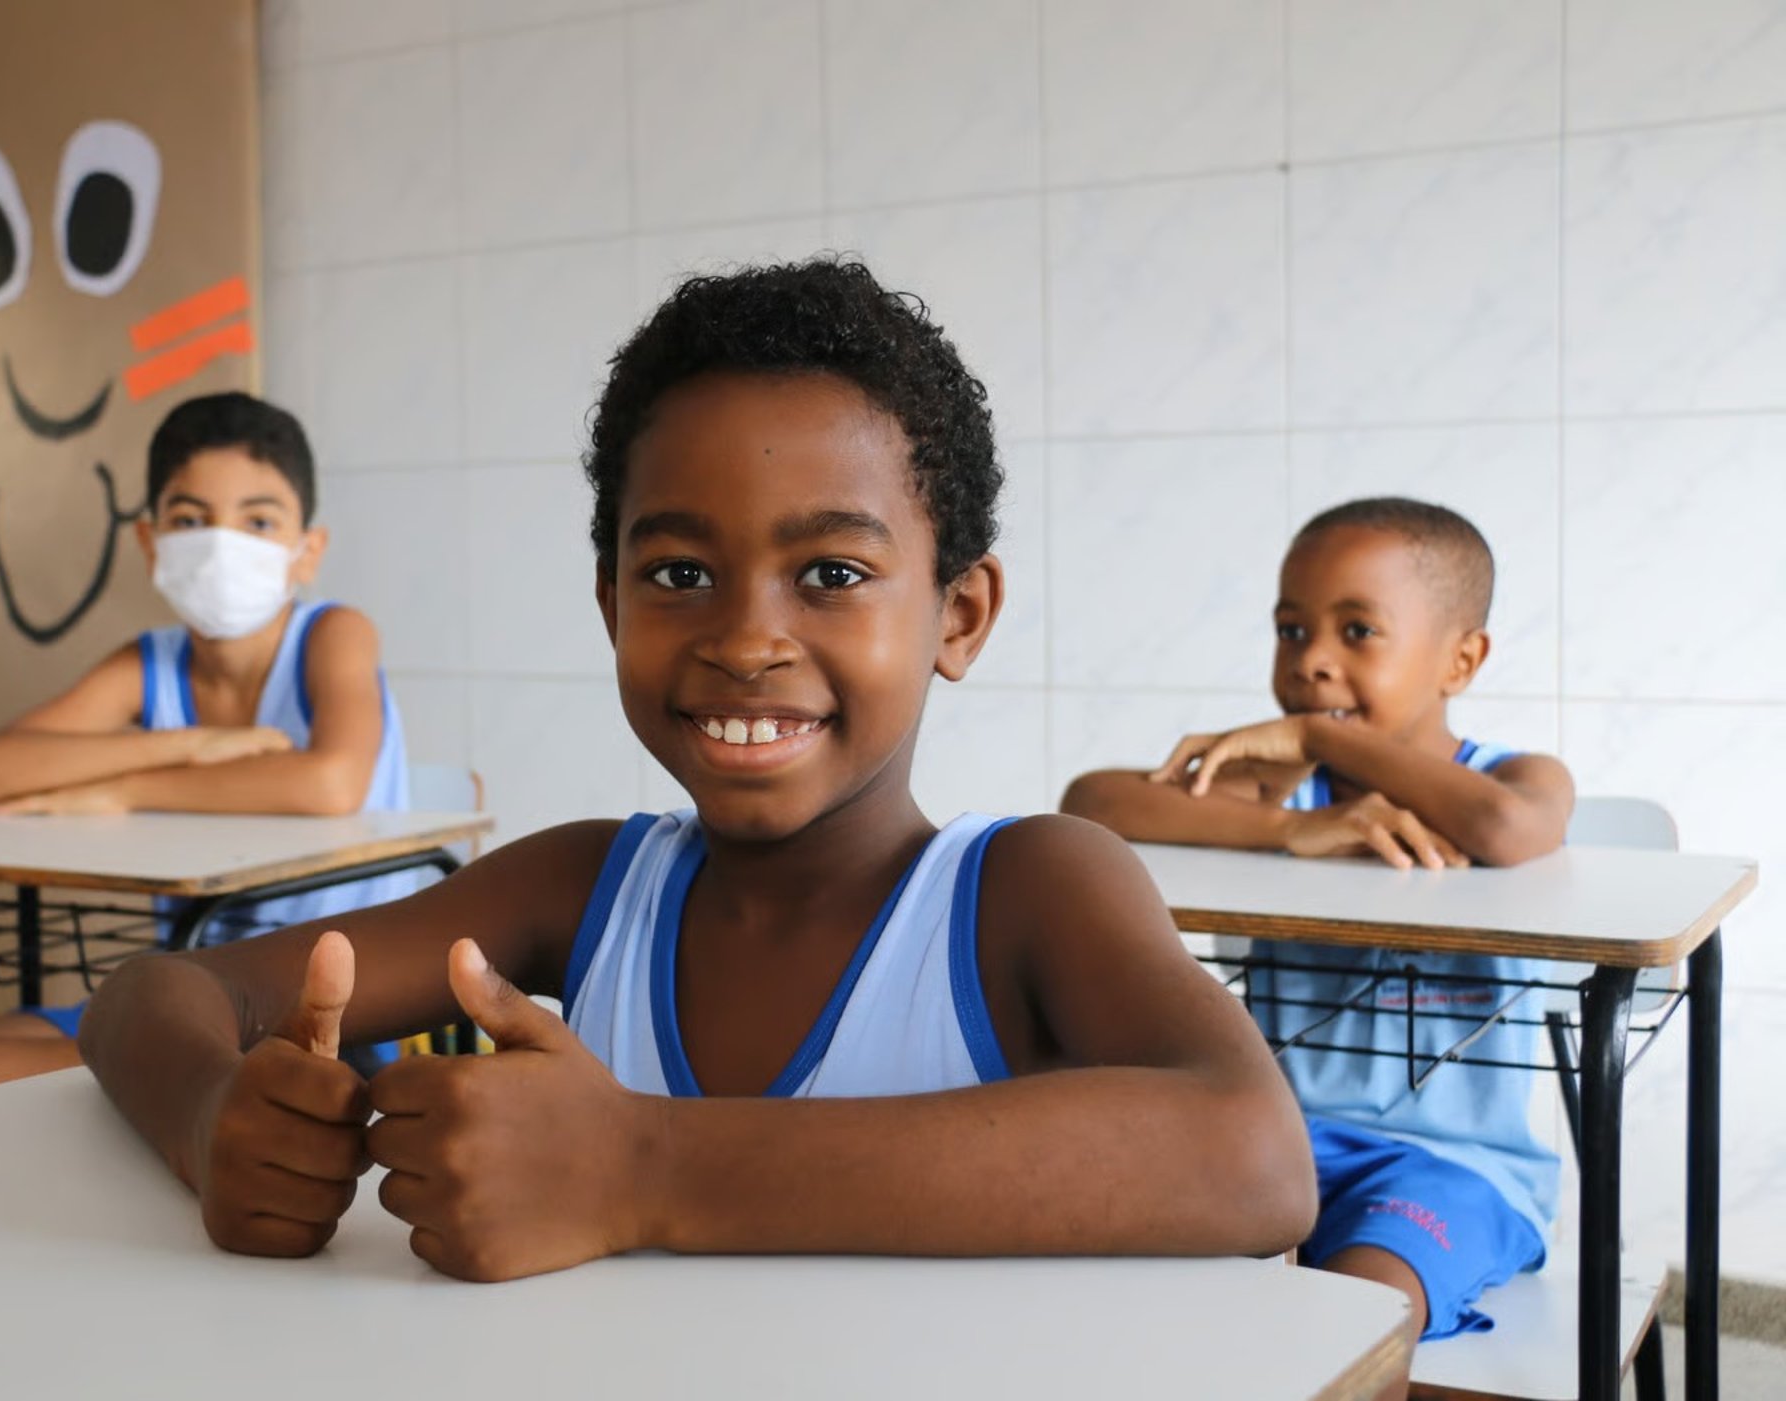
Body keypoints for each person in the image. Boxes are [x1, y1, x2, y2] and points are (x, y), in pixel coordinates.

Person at [80, 259, 1317, 1290]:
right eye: (677, 574)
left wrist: (642, 1167)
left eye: (831, 573)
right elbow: (154, 994)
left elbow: (1252, 1159)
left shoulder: (1026, 892)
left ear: (960, 615)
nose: (744, 638)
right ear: (610, 600)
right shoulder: (584, 887)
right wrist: (215, 1123)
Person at [1062, 496, 1576, 1353]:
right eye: (1292, 630)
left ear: (1461, 658)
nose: (1313, 663)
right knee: (1110, 1273)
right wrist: (1288, 827)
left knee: (1352, 1316)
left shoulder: (1510, 777)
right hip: (1262, 1137)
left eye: (1357, 632)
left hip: (1451, 1171)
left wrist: (1321, 739)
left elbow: (1512, 829)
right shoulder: (1279, 790)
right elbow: (1092, 803)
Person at [0, 392, 412, 1103]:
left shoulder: (334, 634)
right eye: (190, 521)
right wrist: (198, 744)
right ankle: (174, 1093)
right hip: (192, 991)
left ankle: (168, 1092)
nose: (223, 544)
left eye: (258, 521)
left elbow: (331, 783)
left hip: (335, 1005)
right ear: (149, 542)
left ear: (306, 550)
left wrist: (124, 787)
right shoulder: (150, 664)